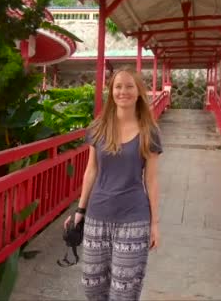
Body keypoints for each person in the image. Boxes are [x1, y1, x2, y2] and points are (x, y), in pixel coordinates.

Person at [63, 66, 162, 301]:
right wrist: (80, 210)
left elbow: (152, 179)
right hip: (98, 216)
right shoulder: (98, 128)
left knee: (124, 291)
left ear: (138, 92)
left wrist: (155, 223)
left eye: (129, 86)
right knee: (92, 286)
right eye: (118, 86)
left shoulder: (149, 131)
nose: (123, 91)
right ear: (111, 92)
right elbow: (91, 170)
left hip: (133, 219)